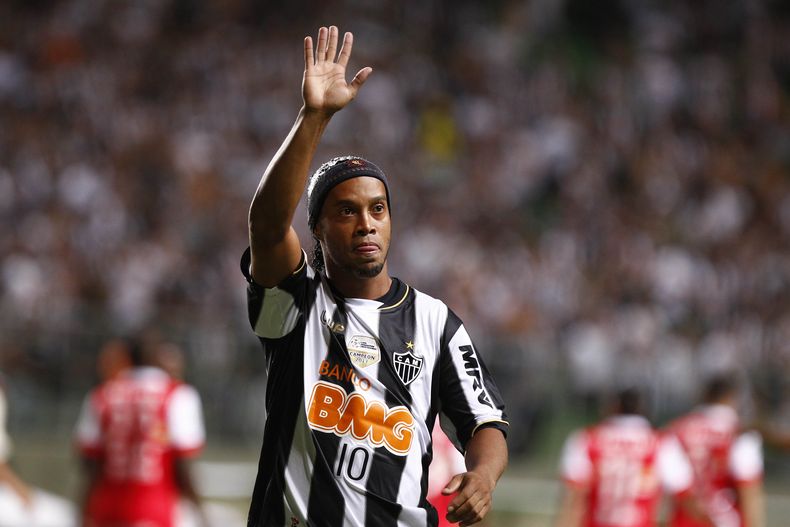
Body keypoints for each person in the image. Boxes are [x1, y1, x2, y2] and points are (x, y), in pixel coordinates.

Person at [242, 25, 509, 527]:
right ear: (318, 227)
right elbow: (267, 224)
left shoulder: (436, 322)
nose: (366, 223)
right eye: (346, 211)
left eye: (378, 209)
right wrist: (314, 117)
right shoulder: (296, 304)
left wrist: (484, 476)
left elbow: (484, 421)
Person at [74, 337, 207, 527]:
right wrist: (201, 512)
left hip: (105, 510)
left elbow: (89, 464)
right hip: (155, 509)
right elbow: (183, 463)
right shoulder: (178, 395)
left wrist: (83, 512)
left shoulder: (102, 394)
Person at [555, 388, 704, 527]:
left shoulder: (586, 440)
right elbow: (685, 494)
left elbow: (573, 498)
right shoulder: (660, 444)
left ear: (613, 408)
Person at [667, 374, 764, 527]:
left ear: (704, 396)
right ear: (732, 397)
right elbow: (748, 489)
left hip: (685, 520)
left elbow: (670, 484)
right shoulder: (739, 433)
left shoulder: (676, 430)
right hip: (726, 519)